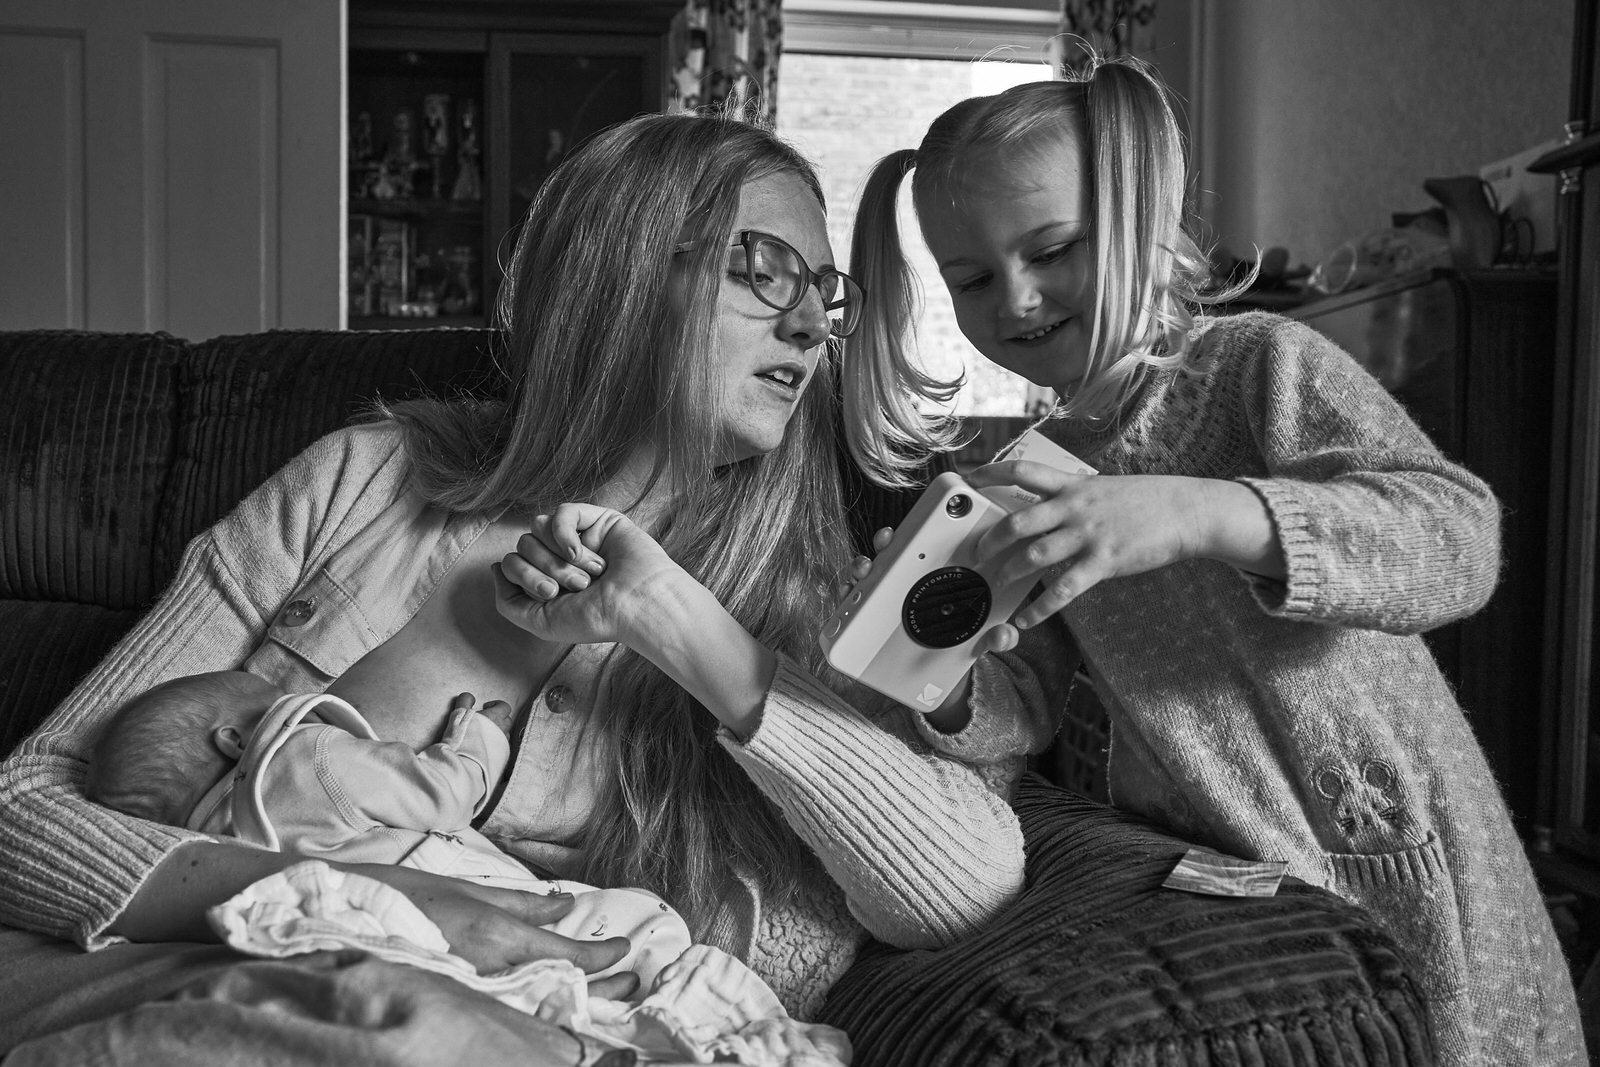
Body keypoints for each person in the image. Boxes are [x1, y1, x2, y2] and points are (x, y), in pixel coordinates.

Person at [0, 111, 1028, 1061]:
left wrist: (670, 619)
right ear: (613, 273)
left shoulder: (785, 607)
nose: (810, 324)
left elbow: (958, 889)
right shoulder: (365, 480)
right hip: (173, 981)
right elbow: (23, 808)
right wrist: (380, 897)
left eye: (823, 290)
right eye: (761, 269)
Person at [840, 52, 1586, 1067]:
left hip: (1377, 842)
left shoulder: (1257, 366)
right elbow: (1029, 706)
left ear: (1145, 225)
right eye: (970, 278)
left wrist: (1200, 512)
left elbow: (1457, 539)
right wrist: (947, 667)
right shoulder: (1029, 472)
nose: (1013, 300)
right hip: (1221, 882)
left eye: (1051, 249)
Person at [83, 671, 691, 993]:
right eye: (267, 693)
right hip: (460, 886)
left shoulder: (221, 859)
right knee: (646, 927)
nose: (291, 697)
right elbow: (442, 797)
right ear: (236, 739)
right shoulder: (305, 758)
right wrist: (480, 734)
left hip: (403, 955)